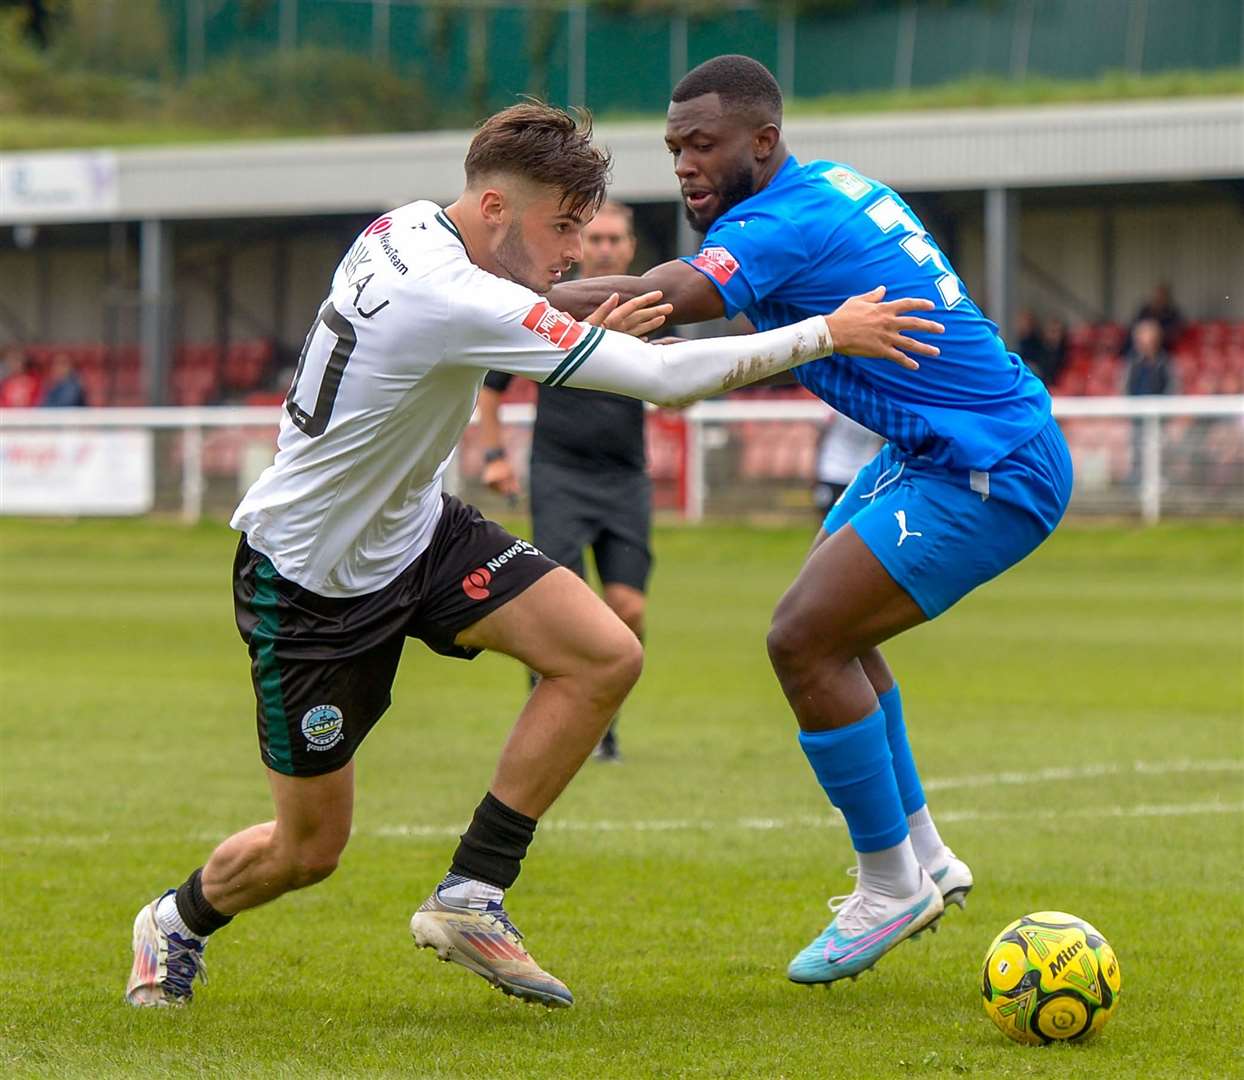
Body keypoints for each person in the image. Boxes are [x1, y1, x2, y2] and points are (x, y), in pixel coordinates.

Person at [124, 101, 940, 1010]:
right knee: (308, 850)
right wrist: (829, 330)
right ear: (499, 209)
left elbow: (519, 314)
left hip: (419, 531)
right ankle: (175, 922)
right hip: (309, 582)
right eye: (563, 230)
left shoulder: (405, 228)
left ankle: (472, 894)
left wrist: (584, 323)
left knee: (604, 653)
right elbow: (669, 382)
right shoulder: (455, 295)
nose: (573, 254)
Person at [550, 55, 1073, 987]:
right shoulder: (820, 188)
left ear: (763, 141)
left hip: (988, 467)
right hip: (941, 450)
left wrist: (478, 304)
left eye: (703, 145)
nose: (684, 166)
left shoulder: (784, 223)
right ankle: (924, 857)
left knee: (803, 641)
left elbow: (657, 306)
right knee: (835, 629)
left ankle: (889, 885)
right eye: (674, 149)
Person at [476, 201, 649, 763]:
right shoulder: (549, 310)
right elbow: (492, 386)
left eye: (613, 239)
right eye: (593, 237)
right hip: (559, 476)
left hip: (625, 479)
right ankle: (552, 727)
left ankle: (605, 722)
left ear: (630, 248)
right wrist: (495, 456)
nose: (602, 248)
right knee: (559, 610)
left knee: (629, 608)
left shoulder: (651, 309)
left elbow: (680, 380)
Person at [812, 412, 883, 515]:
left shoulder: (878, 411)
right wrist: (814, 470)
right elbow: (819, 437)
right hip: (832, 474)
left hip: (859, 477)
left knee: (854, 525)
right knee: (827, 523)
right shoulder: (835, 403)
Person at [1122, 318, 1174, 396]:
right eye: (1140, 339)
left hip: (1162, 406)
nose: (1145, 344)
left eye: (1150, 339)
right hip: (1133, 406)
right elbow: (1123, 390)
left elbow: (1173, 390)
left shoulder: (1167, 364)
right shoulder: (1130, 364)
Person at [1131, 283, 1184, 352]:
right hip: (1142, 341)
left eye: (1162, 295)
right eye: (1157, 294)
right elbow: (1135, 325)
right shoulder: (1145, 310)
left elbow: (1176, 331)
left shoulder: (1172, 312)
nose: (1159, 297)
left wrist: (1157, 334)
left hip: (1164, 344)